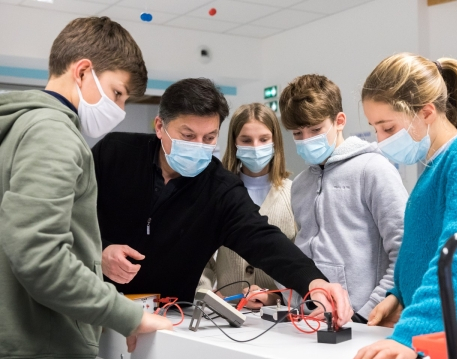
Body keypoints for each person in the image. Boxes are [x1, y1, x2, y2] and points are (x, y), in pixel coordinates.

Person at [0, 17, 171, 359]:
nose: (121, 110)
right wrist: (128, 315)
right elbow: (38, 254)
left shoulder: (16, 127)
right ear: (82, 71)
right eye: (117, 93)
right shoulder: (52, 134)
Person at [92, 78, 352, 325]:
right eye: (188, 135)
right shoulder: (115, 154)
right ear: (160, 127)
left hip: (170, 317)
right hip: (93, 303)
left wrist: (313, 282)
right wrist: (99, 252)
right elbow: (65, 216)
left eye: (209, 138)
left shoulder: (220, 189)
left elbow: (263, 239)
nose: (199, 146)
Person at [352, 54, 457, 359]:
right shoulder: (434, 167)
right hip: (438, 338)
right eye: (375, 129)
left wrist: (412, 334)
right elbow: (421, 249)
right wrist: (397, 294)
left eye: (387, 128)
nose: (380, 141)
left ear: (426, 112)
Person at [271, 74, 408, 323]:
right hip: (310, 318)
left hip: (363, 320)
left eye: (315, 130)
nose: (306, 140)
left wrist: (367, 313)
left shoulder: (374, 169)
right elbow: (304, 253)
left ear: (339, 121)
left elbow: (404, 251)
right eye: (297, 133)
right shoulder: (300, 184)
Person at [199, 103, 295, 307]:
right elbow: (200, 255)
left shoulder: (294, 194)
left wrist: (277, 296)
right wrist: (207, 293)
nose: (255, 147)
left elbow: (301, 259)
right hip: (225, 313)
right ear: (234, 143)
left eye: (263, 139)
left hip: (279, 317)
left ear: (275, 141)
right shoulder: (218, 193)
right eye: (246, 140)